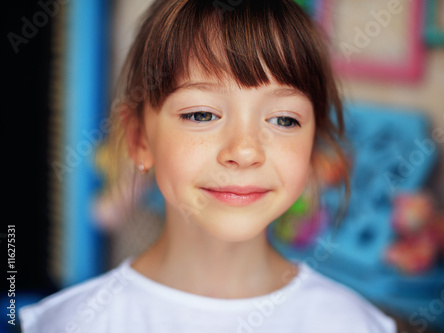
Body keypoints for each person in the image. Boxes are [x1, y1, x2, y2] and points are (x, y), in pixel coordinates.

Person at [20, 0, 396, 332]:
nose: (245, 151)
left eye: (283, 120)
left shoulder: (353, 324)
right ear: (139, 140)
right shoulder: (71, 324)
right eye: (201, 113)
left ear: (313, 147)